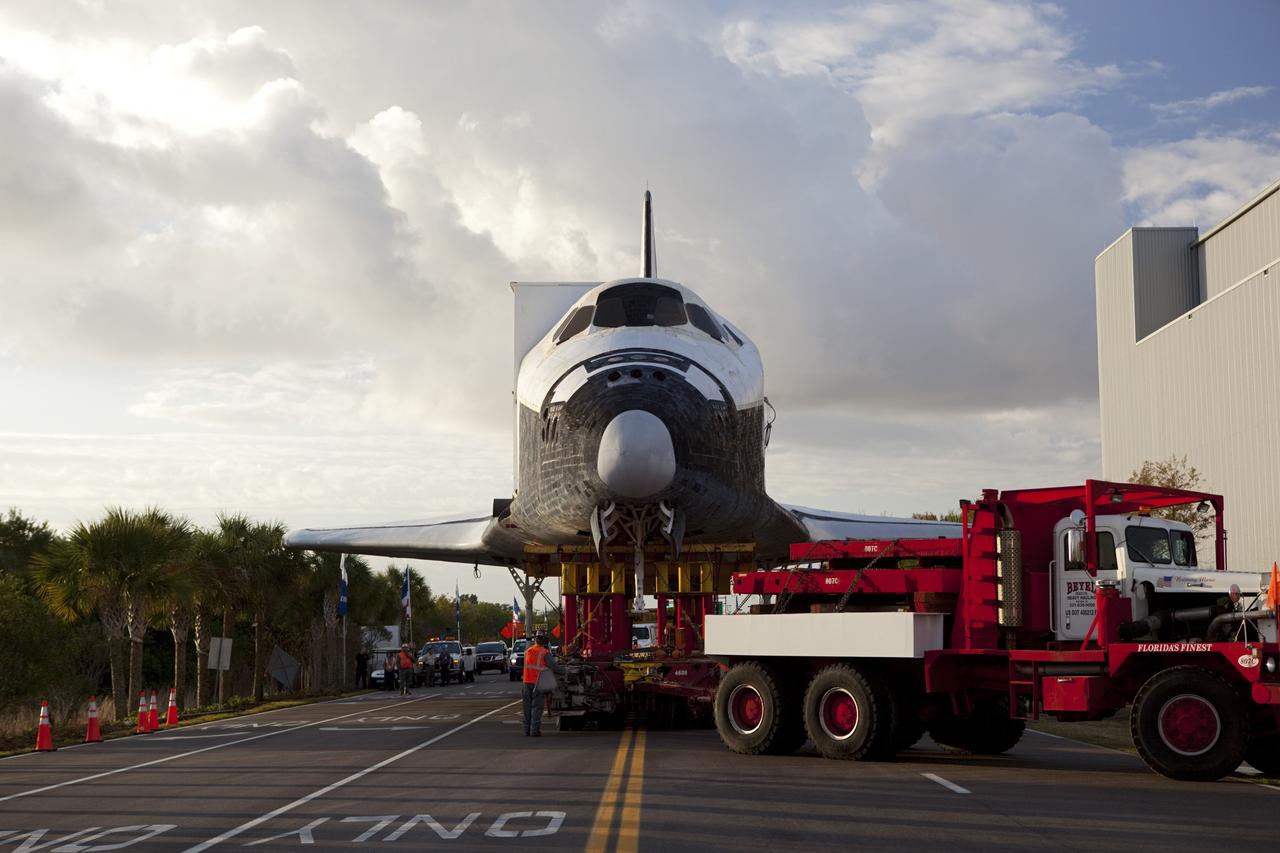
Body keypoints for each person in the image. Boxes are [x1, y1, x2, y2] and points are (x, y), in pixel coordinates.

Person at [522, 629, 562, 737]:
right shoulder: (545, 653)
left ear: (535, 639)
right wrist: (564, 671)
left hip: (526, 683)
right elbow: (554, 667)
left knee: (527, 707)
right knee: (537, 707)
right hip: (537, 683)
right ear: (545, 640)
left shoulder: (528, 651)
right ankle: (534, 731)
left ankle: (526, 730)